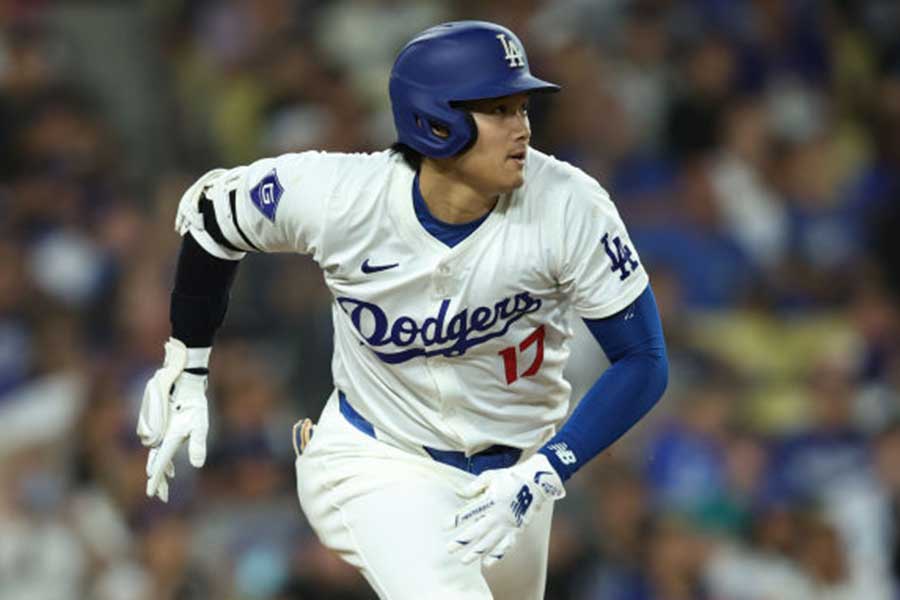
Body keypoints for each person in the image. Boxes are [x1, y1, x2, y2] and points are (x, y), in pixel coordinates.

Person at [137, 20, 668, 599]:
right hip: (378, 459)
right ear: (435, 122)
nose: (522, 129)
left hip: (516, 479)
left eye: (523, 108)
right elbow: (212, 217)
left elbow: (643, 358)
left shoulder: (569, 204)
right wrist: (186, 364)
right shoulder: (341, 197)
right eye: (498, 110)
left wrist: (547, 470)